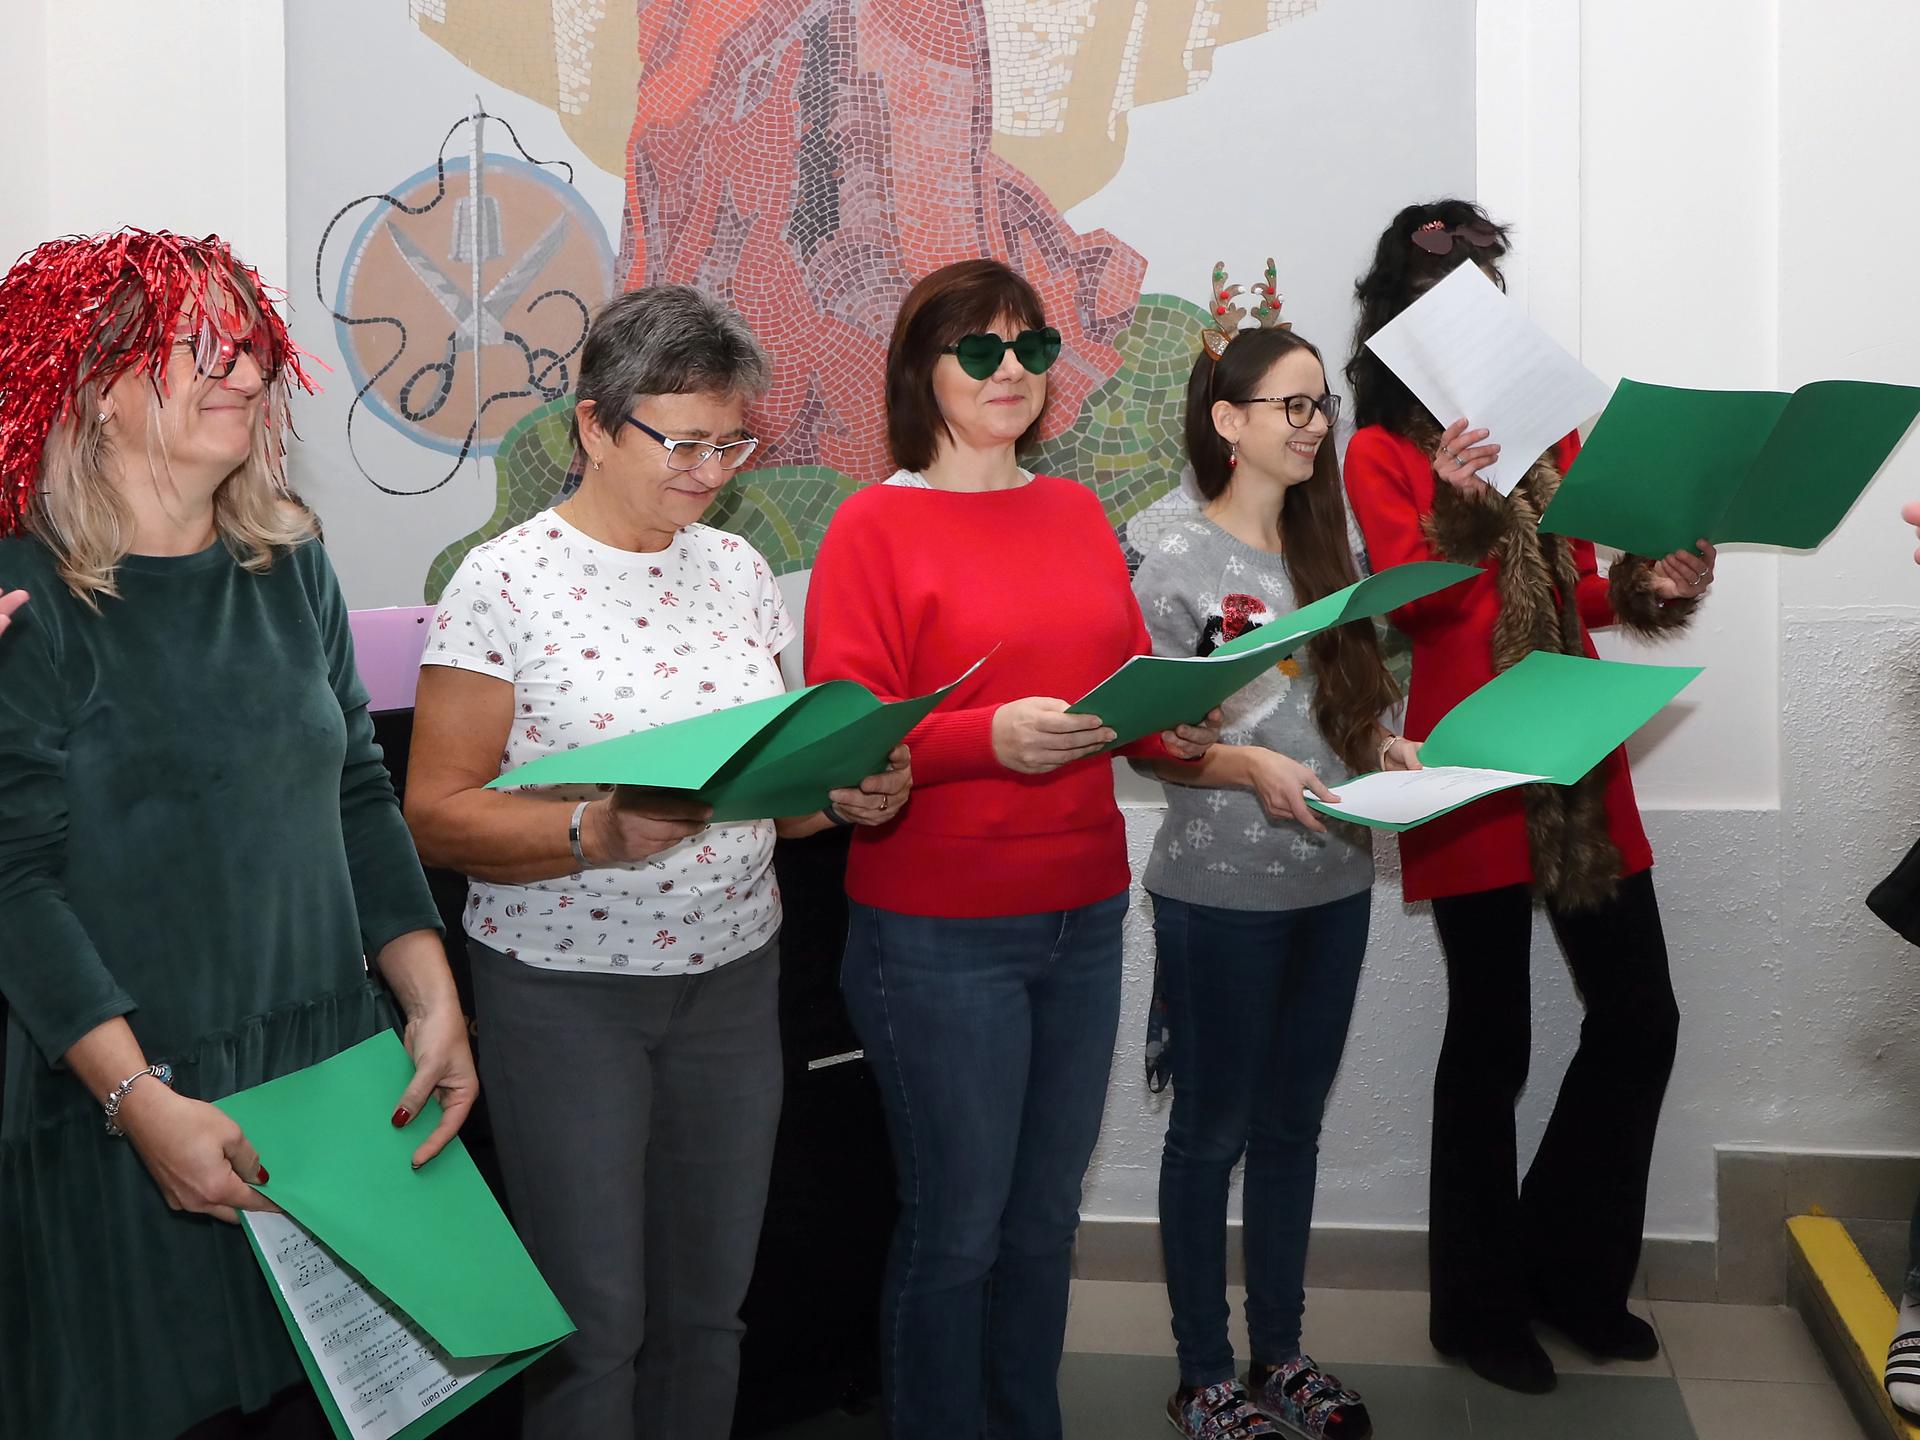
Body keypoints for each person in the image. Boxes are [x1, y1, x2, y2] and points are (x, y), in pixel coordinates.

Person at [402, 284, 910, 1440]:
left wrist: (843, 793)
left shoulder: (735, 570)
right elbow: (434, 815)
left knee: (709, 1313)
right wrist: (592, 832)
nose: (710, 471)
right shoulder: (503, 582)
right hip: (564, 996)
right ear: (593, 424)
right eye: (683, 442)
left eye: (731, 443)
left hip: (732, 982)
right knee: (594, 1327)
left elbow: (771, 805)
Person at [0, 229, 476, 1440]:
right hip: (125, 1094)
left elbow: (359, 794)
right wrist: (138, 1103)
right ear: (94, 383)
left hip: (328, 1077)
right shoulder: (28, 598)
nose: (250, 371)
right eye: (201, 346)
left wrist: (431, 997)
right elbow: (13, 884)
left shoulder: (291, 561)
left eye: (255, 345)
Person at [803, 257, 1219, 1440]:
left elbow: (1120, 692)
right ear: (920, 371)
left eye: (1031, 348)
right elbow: (847, 738)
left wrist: (1174, 726)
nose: (1011, 371)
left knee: (1043, 1224)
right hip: (936, 933)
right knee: (958, 1230)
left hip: (1084, 909)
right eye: (980, 350)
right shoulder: (873, 525)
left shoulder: (1074, 511)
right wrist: (987, 738)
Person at [1342, 200, 1716, 1394]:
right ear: (1400, 322)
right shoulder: (1380, 450)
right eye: (1437, 299)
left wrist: (1655, 587)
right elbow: (1416, 606)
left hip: (1579, 751)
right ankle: (1476, 1308)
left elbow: (1578, 590)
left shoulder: (1548, 433)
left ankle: (1571, 1276)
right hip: (1470, 764)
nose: (1467, 313)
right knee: (1492, 1038)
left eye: (1482, 294)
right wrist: (1455, 502)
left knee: (1641, 1016)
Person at [1135, 303, 1412, 1439]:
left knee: (1293, 1129)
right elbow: (1153, 741)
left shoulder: (1329, 551)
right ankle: (1204, 1374)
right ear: (1227, 422)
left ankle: (1282, 1357)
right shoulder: (1171, 557)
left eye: (1321, 404)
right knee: (1212, 1135)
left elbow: (1349, 710)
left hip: (1333, 884)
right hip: (1218, 897)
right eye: (1291, 404)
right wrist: (1243, 764)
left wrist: (1385, 747)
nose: (1313, 424)